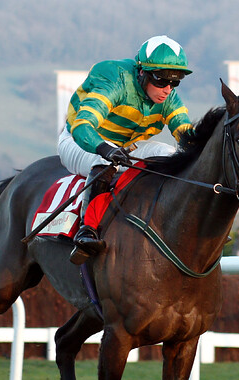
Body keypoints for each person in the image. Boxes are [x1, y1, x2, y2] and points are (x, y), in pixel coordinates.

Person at [58, 35, 194, 264]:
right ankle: (86, 230)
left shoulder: (167, 97)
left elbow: (187, 136)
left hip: (125, 148)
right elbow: (83, 126)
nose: (167, 89)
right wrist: (104, 149)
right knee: (104, 162)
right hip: (79, 141)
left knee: (173, 157)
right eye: (161, 81)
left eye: (175, 82)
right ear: (142, 72)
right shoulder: (115, 80)